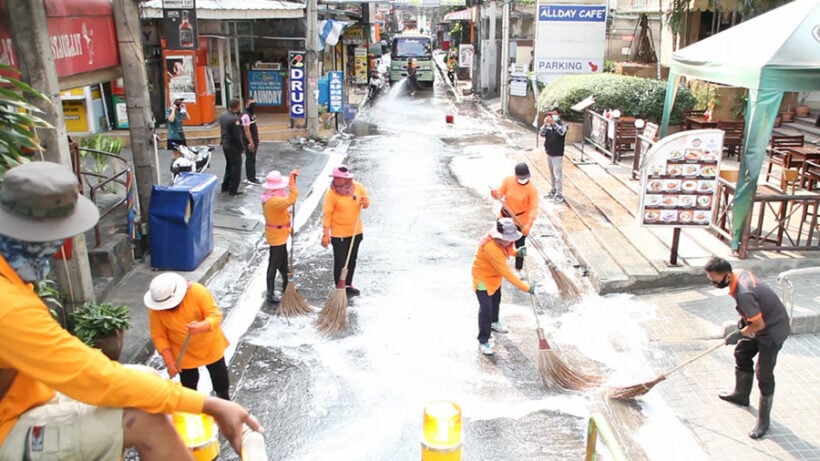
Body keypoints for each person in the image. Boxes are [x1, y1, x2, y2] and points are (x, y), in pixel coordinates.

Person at [0, 161, 261, 460]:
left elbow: (213, 317)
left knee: (149, 380)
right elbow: (95, 376)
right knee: (145, 417)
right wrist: (209, 405)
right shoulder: (8, 305)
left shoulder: (17, 276)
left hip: (31, 396)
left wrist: (201, 335)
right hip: (11, 423)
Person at [704, 256, 790, 439]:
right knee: (742, 353)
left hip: (772, 331)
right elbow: (752, 315)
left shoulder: (744, 293)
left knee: (764, 374)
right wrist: (742, 325)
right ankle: (741, 395)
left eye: (715, 280)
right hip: (760, 326)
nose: (713, 283)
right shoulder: (739, 273)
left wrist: (740, 333)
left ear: (726, 276)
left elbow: (757, 324)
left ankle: (764, 420)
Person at [144, 272, 232, 401]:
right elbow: (159, 336)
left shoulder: (197, 292)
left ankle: (225, 403)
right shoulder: (155, 310)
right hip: (182, 350)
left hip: (209, 344)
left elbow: (215, 315)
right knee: (188, 385)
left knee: (220, 378)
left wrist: (201, 326)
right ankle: (192, 410)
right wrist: (170, 362)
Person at [472, 218, 534, 356]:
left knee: (495, 300)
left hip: (495, 277)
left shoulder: (505, 241)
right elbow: (506, 273)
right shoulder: (490, 247)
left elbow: (508, 249)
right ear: (498, 236)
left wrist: (517, 252)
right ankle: (484, 340)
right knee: (486, 308)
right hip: (482, 278)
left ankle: (495, 322)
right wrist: (526, 287)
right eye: (507, 238)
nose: (510, 241)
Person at [321, 165, 370, 296]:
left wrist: (365, 202)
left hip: (355, 232)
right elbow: (327, 214)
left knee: (352, 260)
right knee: (340, 262)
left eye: (339, 178)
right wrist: (326, 234)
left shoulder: (357, 187)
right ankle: (339, 286)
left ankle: (348, 284)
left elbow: (366, 203)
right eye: (335, 178)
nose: (337, 180)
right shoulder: (331, 194)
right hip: (339, 234)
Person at [490, 162, 539, 275]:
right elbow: (500, 194)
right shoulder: (508, 181)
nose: (523, 180)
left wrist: (528, 225)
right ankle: (498, 264)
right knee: (498, 241)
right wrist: (495, 194)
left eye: (525, 177)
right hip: (505, 217)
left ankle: (519, 270)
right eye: (520, 177)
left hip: (521, 220)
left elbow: (534, 208)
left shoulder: (532, 189)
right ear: (515, 175)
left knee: (520, 246)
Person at [262, 169, 299, 304]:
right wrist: (292, 183)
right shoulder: (274, 201)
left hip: (280, 234)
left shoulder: (271, 197)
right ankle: (270, 293)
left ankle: (287, 286)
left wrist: (288, 227)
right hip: (276, 237)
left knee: (283, 262)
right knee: (274, 263)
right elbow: (292, 199)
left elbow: (282, 215)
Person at [539, 110, 568, 203]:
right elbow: (541, 134)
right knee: (552, 174)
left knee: (558, 175)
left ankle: (559, 194)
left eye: (554, 115)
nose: (552, 117)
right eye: (551, 115)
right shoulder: (549, 127)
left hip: (557, 154)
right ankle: (553, 190)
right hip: (549, 153)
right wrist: (545, 124)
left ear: (559, 115)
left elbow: (562, 132)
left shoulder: (563, 125)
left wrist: (554, 123)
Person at [219, 98, 245, 196]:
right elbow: (237, 136)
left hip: (225, 143)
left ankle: (225, 185)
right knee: (236, 167)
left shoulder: (223, 116)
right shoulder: (235, 119)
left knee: (229, 165)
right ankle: (233, 189)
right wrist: (242, 147)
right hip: (233, 145)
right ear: (237, 106)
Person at [241, 97, 262, 185]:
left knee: (252, 158)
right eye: (251, 104)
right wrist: (251, 142)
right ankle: (251, 178)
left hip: (254, 140)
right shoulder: (246, 115)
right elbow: (246, 129)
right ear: (246, 105)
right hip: (250, 141)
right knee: (250, 158)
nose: (253, 106)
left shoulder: (252, 114)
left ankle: (252, 176)